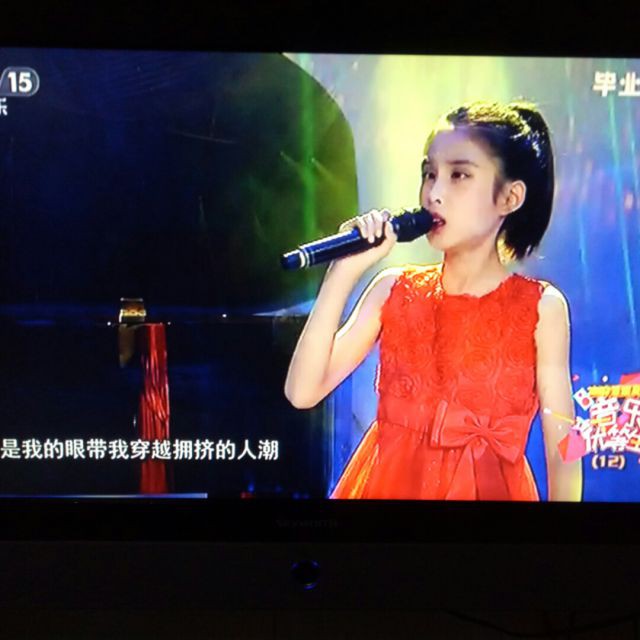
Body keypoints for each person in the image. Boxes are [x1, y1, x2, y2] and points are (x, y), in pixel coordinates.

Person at [284, 99, 583, 501]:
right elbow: (301, 392)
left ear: (509, 198)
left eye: (459, 175)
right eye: (429, 174)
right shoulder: (394, 289)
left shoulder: (542, 307)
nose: (434, 194)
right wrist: (343, 273)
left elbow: (565, 436)